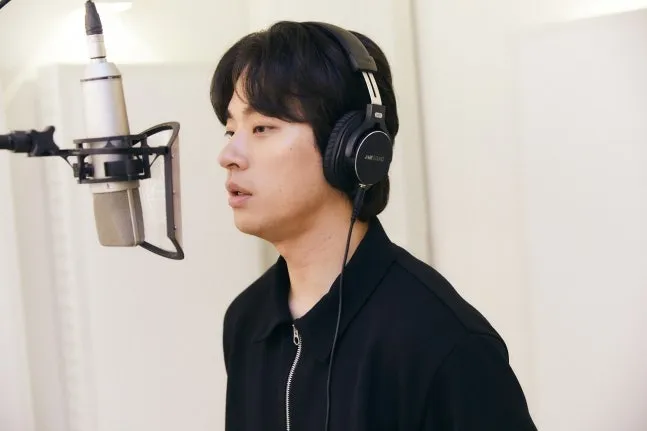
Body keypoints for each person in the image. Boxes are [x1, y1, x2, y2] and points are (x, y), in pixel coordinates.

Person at [211, 20, 537, 431]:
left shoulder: (444, 341)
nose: (228, 154)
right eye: (230, 129)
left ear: (354, 148)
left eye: (262, 128)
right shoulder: (247, 321)